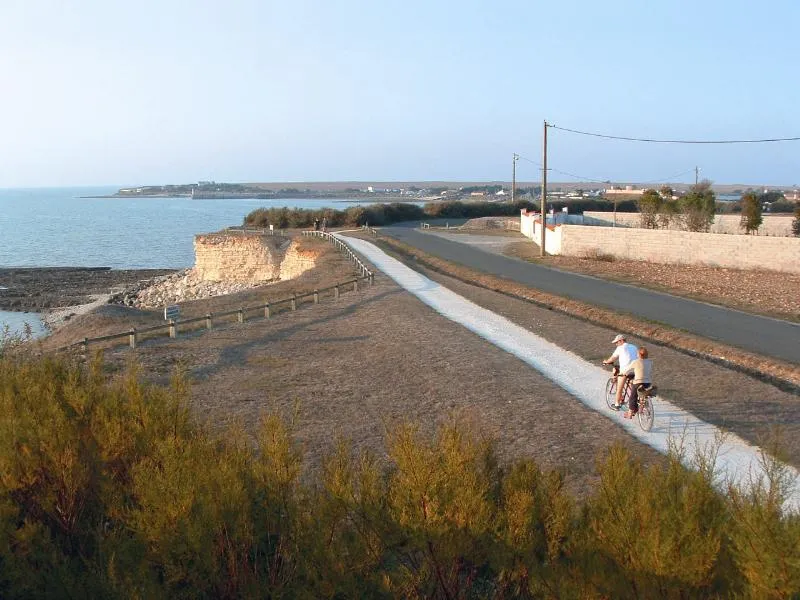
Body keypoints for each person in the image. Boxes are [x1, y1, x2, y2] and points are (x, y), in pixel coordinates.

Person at [602, 334, 638, 409]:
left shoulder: (620, 348)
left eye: (616, 342)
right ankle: (638, 400)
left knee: (619, 388)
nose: (616, 344)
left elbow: (612, 358)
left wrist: (606, 361)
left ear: (621, 341)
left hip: (625, 371)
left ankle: (617, 404)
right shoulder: (634, 347)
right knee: (633, 385)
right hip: (636, 370)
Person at [623, 347, 654, 419]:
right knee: (643, 393)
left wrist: (623, 374)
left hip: (638, 382)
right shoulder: (650, 362)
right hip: (647, 382)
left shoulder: (635, 362)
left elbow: (627, 370)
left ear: (639, 354)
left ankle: (630, 413)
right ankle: (642, 404)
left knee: (633, 397)